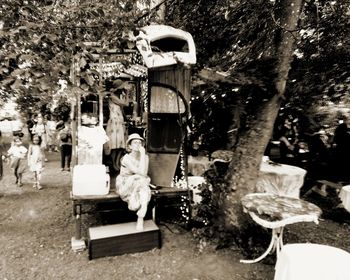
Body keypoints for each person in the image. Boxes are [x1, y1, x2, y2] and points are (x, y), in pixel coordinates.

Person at [115, 133, 152, 231]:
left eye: (140, 142)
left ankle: (141, 215)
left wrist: (143, 155)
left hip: (139, 180)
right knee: (142, 182)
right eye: (135, 142)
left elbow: (143, 173)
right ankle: (141, 210)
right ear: (130, 146)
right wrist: (137, 176)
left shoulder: (145, 157)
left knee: (142, 183)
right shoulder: (126, 158)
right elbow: (141, 172)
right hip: (126, 182)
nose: (138, 144)